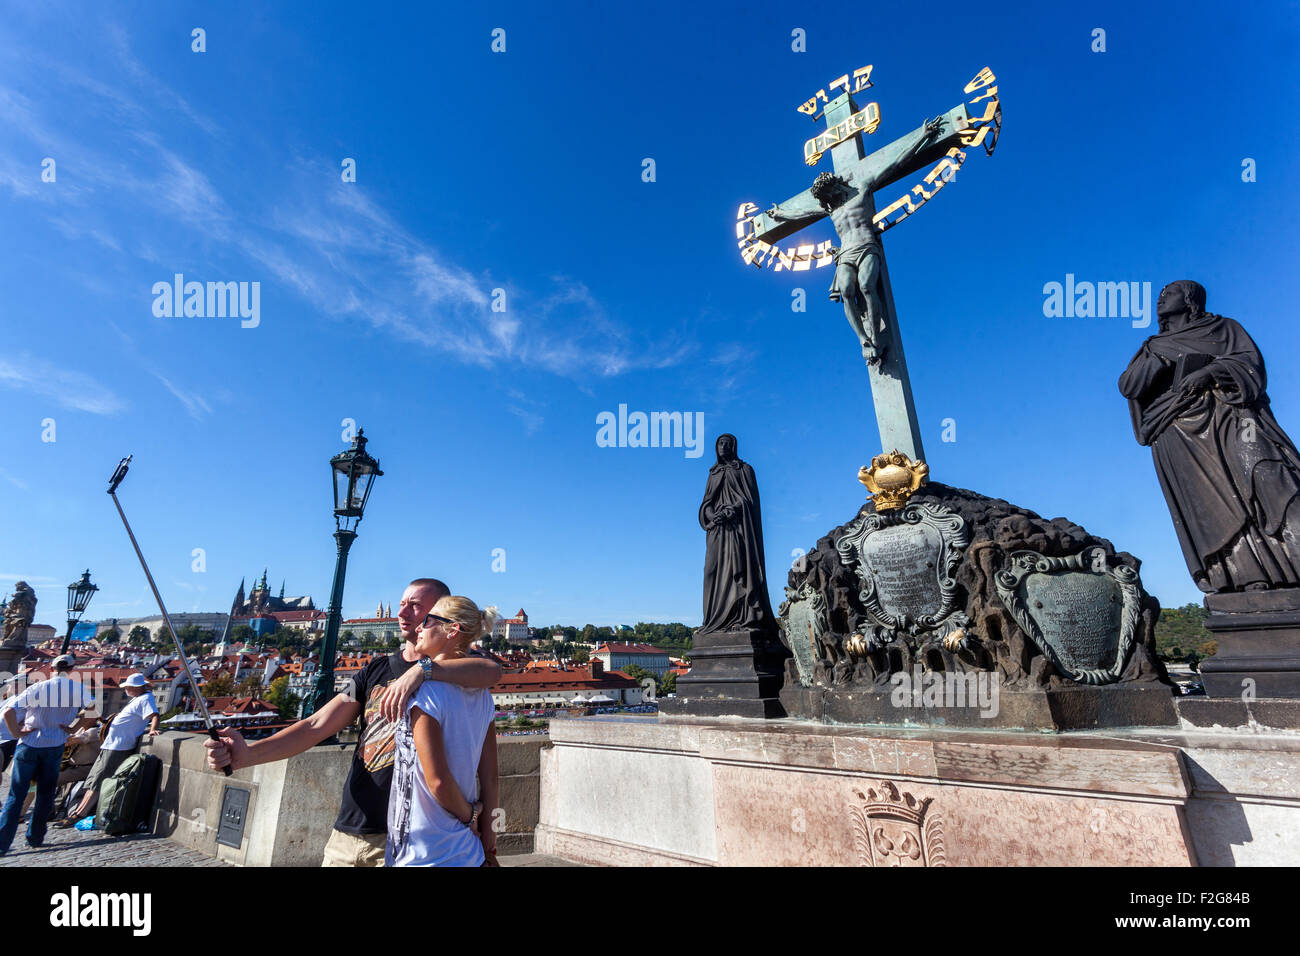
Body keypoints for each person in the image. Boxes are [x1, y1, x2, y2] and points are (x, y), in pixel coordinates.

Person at [204, 578, 501, 866]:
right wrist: (248, 755)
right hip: (349, 829)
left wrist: (421, 670)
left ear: (444, 612)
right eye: (400, 604)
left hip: (405, 839)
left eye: (414, 605)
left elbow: (493, 670)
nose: (402, 613)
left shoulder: (465, 676)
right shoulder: (375, 669)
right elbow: (315, 725)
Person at [1119, 279, 1300, 592]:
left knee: (1270, 476)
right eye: (1160, 294)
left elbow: (1251, 364)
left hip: (1232, 415)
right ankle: (1246, 578)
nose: (1161, 298)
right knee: (1213, 508)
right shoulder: (1154, 346)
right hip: (1177, 432)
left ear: (1190, 299)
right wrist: (1159, 362)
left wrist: (1211, 372)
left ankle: (1292, 561)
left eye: (1170, 293)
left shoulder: (1225, 329)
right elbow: (1129, 386)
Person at [387, 596, 499, 867]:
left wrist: (470, 815)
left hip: (424, 853)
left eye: (428, 621)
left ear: (452, 630)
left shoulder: (424, 692)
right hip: (467, 852)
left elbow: (437, 781)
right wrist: (488, 844)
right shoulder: (483, 696)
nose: (418, 628)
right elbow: (491, 778)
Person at [0, 655, 96, 853]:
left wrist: (17, 733)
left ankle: (2, 843)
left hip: (29, 744)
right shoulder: (77, 689)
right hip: (55, 746)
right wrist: (73, 729)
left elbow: (8, 711)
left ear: (51, 668)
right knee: (45, 794)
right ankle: (35, 838)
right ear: (71, 669)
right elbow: (93, 712)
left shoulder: (38, 687)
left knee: (16, 795)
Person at [55, 672, 159, 826]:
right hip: (110, 744)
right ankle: (77, 812)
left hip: (119, 746)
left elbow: (154, 715)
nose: (125, 690)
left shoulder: (146, 698)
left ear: (135, 688)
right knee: (93, 780)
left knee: (99, 780)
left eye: (128, 687)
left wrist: (152, 729)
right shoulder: (137, 699)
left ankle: (79, 814)